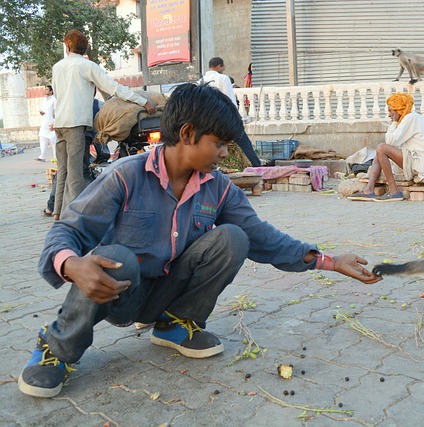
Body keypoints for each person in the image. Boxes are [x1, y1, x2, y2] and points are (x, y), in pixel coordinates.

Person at [18, 84, 380, 398]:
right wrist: (71, 263)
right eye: (220, 143)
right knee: (115, 257)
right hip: (118, 292)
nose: (225, 153)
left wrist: (328, 261)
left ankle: (174, 325)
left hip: (166, 293)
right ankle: (57, 348)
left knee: (233, 238)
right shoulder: (125, 176)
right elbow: (68, 230)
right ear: (188, 133)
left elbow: (262, 238)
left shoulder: (219, 188)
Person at [51, 29, 156, 220]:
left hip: (60, 123)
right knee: (76, 175)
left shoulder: (57, 67)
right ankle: (75, 220)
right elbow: (113, 88)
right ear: (84, 48)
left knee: (63, 171)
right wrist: (142, 101)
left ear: (67, 47)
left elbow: (58, 94)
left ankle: (58, 213)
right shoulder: (87, 66)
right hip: (76, 124)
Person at [348, 93, 424, 202]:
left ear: (398, 110)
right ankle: (368, 190)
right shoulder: (407, 120)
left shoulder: (411, 118)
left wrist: (394, 122)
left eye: (391, 111)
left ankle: (394, 191)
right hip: (415, 160)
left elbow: (390, 141)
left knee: (381, 148)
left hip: (420, 163)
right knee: (378, 152)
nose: (389, 115)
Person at [199, 57, 261, 167]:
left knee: (213, 144)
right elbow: (230, 99)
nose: (223, 69)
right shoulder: (223, 78)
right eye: (223, 67)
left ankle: (211, 166)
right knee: (244, 142)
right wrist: (237, 118)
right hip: (226, 117)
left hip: (210, 121)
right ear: (219, 66)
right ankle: (257, 165)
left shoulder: (201, 81)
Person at [36, 85, 56, 162]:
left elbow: (55, 112)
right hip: (44, 121)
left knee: (53, 140)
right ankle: (42, 156)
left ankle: (56, 157)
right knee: (42, 137)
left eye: (47, 89)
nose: (45, 91)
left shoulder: (54, 100)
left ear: (51, 91)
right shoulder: (44, 100)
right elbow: (42, 109)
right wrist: (41, 112)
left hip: (51, 122)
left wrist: (55, 123)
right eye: (45, 89)